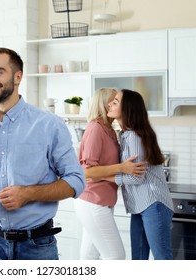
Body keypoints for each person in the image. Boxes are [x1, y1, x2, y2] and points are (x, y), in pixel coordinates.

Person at [0, 47, 85, 260]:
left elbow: (76, 181)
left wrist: (28, 194)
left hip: (37, 246)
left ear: (18, 77)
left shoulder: (48, 125)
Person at [74, 87, 147, 260]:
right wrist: (122, 168)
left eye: (117, 102)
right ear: (105, 104)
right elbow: (87, 171)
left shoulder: (110, 131)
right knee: (116, 257)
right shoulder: (95, 129)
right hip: (93, 202)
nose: (116, 104)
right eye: (114, 101)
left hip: (101, 201)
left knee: (89, 257)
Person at [106, 89, 174, 260]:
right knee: (138, 259)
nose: (110, 104)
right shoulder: (125, 135)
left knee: (162, 259)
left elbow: (135, 177)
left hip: (153, 204)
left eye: (115, 102)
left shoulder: (135, 136)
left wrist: (103, 176)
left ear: (127, 108)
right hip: (140, 206)